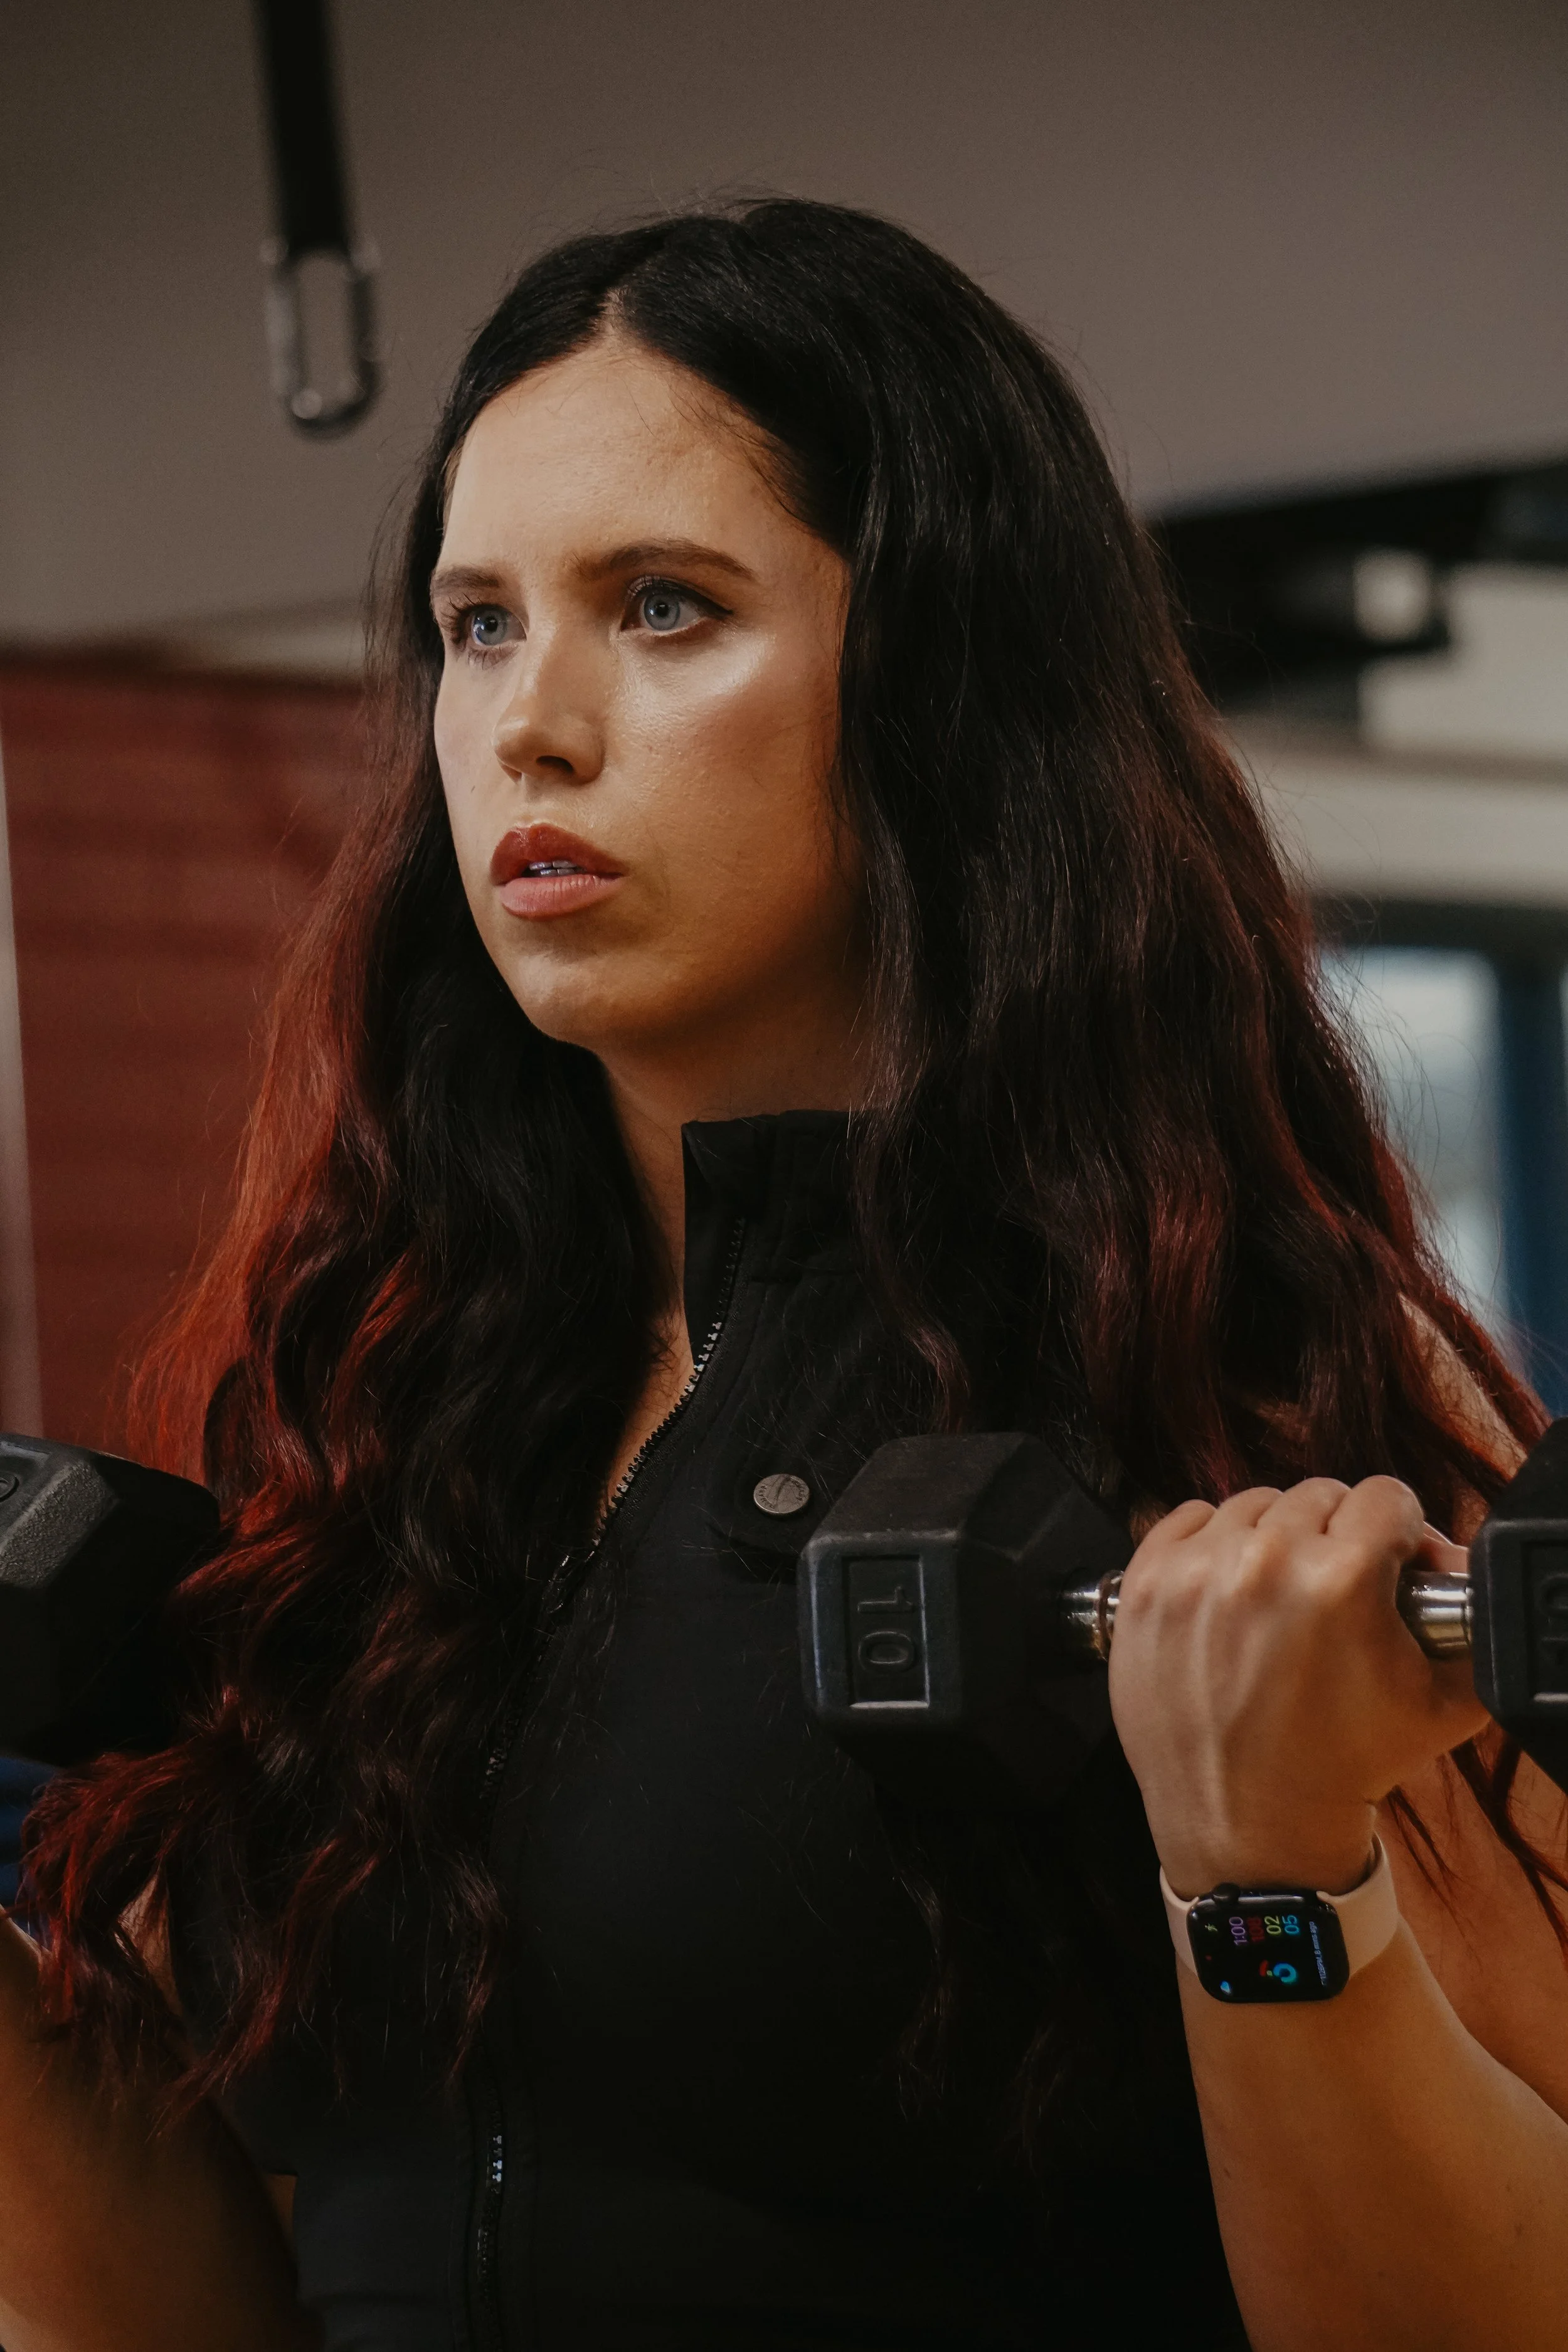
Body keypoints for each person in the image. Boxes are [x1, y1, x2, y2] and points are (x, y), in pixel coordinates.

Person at [3, 198, 1567, 2352]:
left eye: (665, 608)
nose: (531, 725)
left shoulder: (1245, 1379)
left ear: (939, 682)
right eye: (475, 625)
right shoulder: (393, 1412)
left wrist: (1269, 1871)